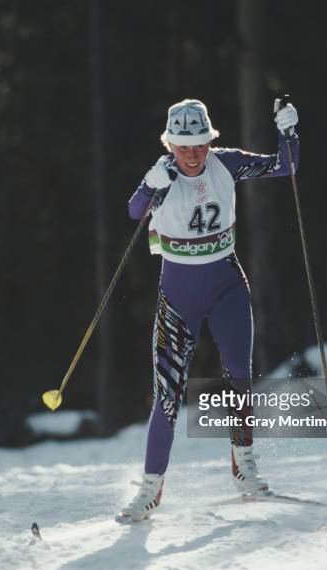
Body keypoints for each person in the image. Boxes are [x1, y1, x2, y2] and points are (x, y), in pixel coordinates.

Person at [116, 98, 299, 522]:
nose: (193, 153)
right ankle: (149, 489)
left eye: (199, 143)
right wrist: (148, 183)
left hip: (227, 286)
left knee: (240, 375)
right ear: (170, 144)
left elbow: (284, 166)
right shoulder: (164, 174)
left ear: (209, 139)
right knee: (167, 397)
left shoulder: (227, 162)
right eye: (183, 146)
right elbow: (133, 211)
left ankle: (245, 465)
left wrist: (288, 132)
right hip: (179, 296)